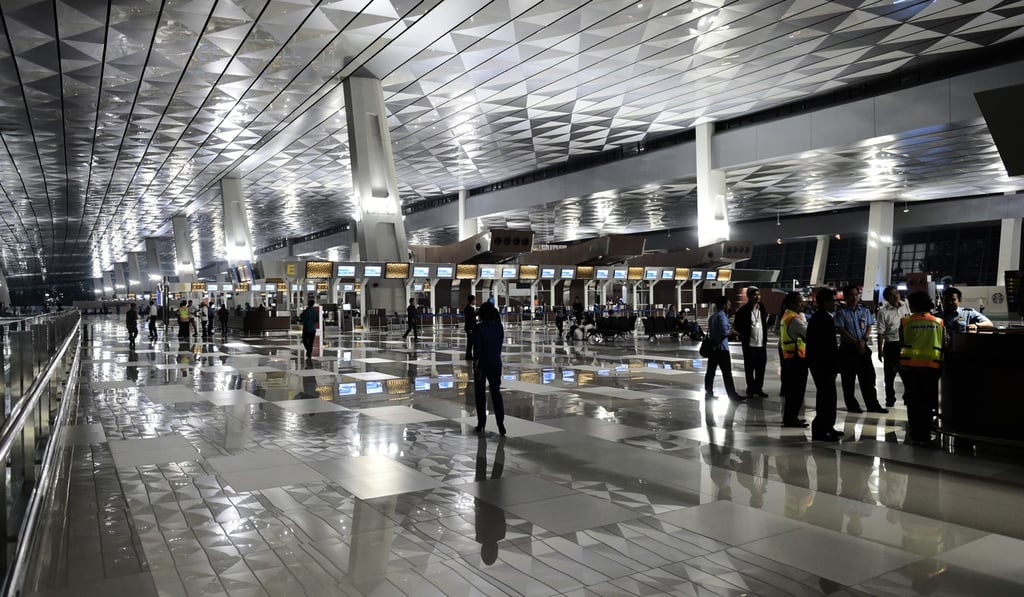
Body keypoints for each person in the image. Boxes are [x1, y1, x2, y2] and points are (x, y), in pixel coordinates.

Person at [900, 292, 945, 446]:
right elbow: (945, 343)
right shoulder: (938, 322)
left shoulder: (906, 322)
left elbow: (901, 342)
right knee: (927, 402)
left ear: (913, 305)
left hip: (909, 368)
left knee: (913, 403)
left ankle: (916, 434)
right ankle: (925, 434)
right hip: (931, 367)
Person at [835, 285, 887, 414]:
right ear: (845, 297)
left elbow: (869, 325)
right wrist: (856, 342)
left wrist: (863, 340)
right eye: (851, 295)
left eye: (856, 295)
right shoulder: (841, 312)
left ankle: (873, 405)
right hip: (848, 349)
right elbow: (841, 329)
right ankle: (852, 405)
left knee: (868, 378)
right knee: (849, 380)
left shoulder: (864, 310)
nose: (854, 297)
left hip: (863, 347)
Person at [806, 288, 843, 442]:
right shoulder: (823, 319)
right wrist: (834, 367)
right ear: (826, 302)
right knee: (825, 397)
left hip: (819, 363)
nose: (835, 304)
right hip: (823, 365)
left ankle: (828, 426)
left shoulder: (820, 317)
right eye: (833, 301)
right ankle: (820, 430)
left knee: (829, 396)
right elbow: (828, 347)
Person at [473, 302, 506, 435]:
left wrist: (476, 365)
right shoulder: (499, 327)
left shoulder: (478, 328)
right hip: (496, 362)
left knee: (480, 394)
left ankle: (481, 423)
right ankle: (500, 424)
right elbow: (499, 346)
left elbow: (477, 349)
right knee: (496, 392)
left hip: (482, 364)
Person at [473, 435, 506, 565]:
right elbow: (478, 519)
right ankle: (482, 444)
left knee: (497, 473)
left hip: (495, 503)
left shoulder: (500, 535)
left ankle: (500, 448)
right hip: (482, 502)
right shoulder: (480, 537)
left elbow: (501, 518)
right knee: (480, 469)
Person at [704, 296, 744, 401]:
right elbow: (724, 332)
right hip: (722, 349)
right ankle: (732, 395)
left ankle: (709, 393)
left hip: (713, 348)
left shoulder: (712, 317)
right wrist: (733, 332)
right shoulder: (722, 316)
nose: (730, 306)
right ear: (724, 305)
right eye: (728, 304)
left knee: (710, 372)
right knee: (727, 373)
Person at [876, 286, 910, 407]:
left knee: (907, 374)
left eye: (896, 293)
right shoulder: (883, 312)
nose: (895, 296)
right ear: (887, 298)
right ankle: (890, 399)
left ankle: (908, 397)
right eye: (891, 295)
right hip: (891, 345)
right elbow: (881, 332)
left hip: (906, 344)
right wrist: (880, 351)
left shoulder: (906, 305)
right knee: (889, 376)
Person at [733, 286, 769, 399]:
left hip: (761, 344)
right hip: (749, 344)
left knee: (761, 368)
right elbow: (737, 325)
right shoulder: (743, 310)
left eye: (759, 295)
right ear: (749, 296)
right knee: (749, 369)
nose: (757, 297)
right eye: (754, 295)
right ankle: (751, 389)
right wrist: (743, 335)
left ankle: (758, 388)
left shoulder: (762, 308)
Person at [779, 291, 809, 427]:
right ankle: (791, 419)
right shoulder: (795, 319)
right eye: (799, 302)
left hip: (791, 358)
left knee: (793, 391)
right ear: (791, 303)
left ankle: (791, 417)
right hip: (797, 359)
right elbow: (809, 333)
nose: (802, 304)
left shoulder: (787, 316)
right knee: (796, 391)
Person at [463, 295, 477, 360]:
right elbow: (469, 320)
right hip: (470, 328)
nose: (475, 301)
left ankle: (469, 355)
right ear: (471, 300)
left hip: (471, 327)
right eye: (474, 300)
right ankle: (468, 355)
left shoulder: (470, 308)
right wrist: (470, 328)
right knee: (470, 342)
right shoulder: (468, 309)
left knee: (471, 342)